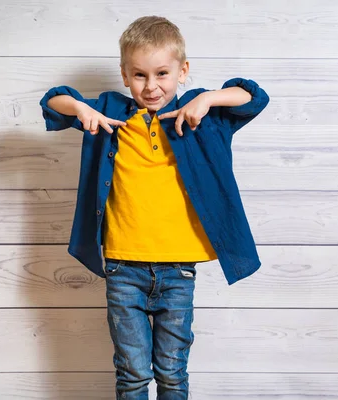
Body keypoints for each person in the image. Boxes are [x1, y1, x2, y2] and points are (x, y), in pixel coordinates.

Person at [40, 15, 269, 400]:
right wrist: (81, 109)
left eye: (162, 73)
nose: (151, 86)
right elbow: (52, 101)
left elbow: (253, 96)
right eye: (140, 75)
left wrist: (208, 97)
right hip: (122, 268)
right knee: (131, 374)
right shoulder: (110, 112)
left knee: (172, 374)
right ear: (125, 75)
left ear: (183, 71)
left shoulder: (201, 118)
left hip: (178, 270)